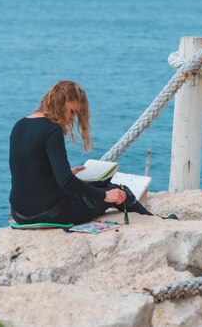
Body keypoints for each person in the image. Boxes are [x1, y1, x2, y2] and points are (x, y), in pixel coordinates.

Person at [8, 80, 155, 226]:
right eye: (72, 111)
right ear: (61, 102)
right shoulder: (52, 129)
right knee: (118, 191)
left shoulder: (19, 125)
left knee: (96, 184)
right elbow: (66, 182)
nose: (72, 118)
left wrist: (62, 173)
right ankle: (154, 222)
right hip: (51, 212)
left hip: (19, 213)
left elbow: (26, 171)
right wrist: (105, 196)